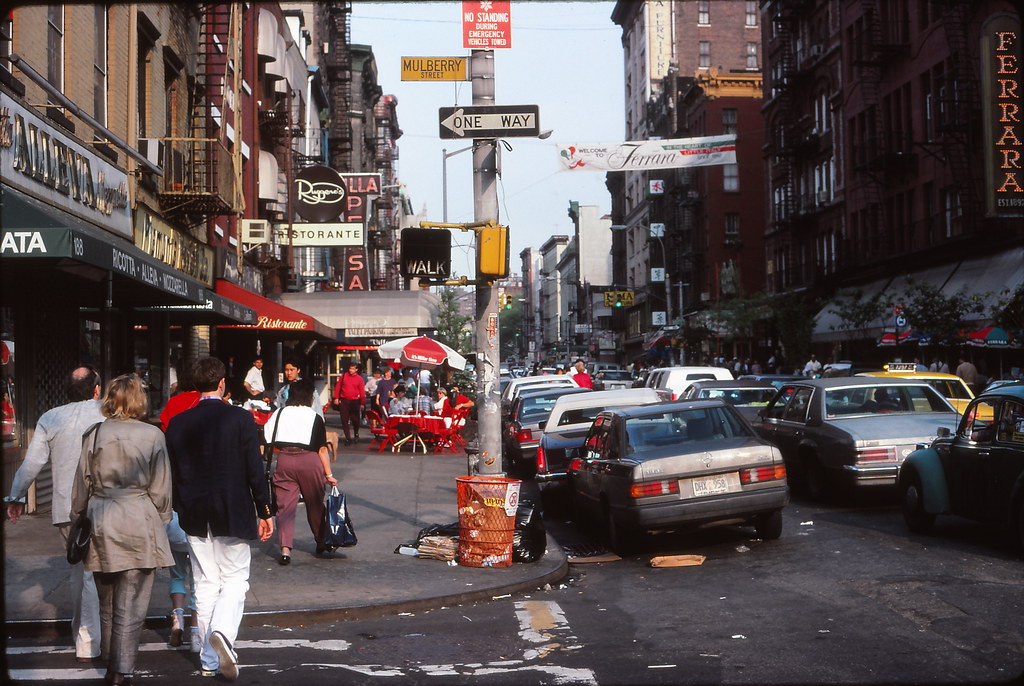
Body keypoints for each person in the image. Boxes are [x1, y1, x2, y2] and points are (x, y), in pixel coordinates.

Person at [165, 357, 274, 681]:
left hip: (194, 513)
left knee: (206, 583)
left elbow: (174, 474)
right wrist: (265, 510)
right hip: (233, 508)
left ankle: (209, 659)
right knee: (236, 580)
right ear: (222, 383)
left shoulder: (179, 423)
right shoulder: (240, 419)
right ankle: (223, 633)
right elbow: (255, 470)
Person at [70, 373, 174, 685]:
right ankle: (120, 668)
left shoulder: (95, 433)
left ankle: (109, 658)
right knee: (132, 600)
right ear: (139, 400)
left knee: (107, 597)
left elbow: (81, 484)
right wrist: (162, 520)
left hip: (102, 516)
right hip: (139, 517)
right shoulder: (153, 435)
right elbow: (161, 489)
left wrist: (78, 518)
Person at [5, 366, 105, 665]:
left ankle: (88, 642)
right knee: (110, 572)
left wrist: (16, 496)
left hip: (67, 509)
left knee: (83, 574)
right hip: (109, 505)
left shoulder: (50, 418)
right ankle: (112, 637)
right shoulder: (110, 414)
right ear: (97, 390)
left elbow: (32, 463)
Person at [264, 379, 337, 566]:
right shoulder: (314, 417)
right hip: (309, 460)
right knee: (315, 504)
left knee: (284, 507)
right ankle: (321, 541)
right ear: (309, 396)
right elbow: (321, 450)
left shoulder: (278, 414)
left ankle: (285, 549)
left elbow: (266, 439)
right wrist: (329, 475)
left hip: (285, 459)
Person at [332, 363, 365, 446]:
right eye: (350, 368)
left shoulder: (359, 379)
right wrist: (336, 398)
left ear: (356, 369)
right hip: (344, 400)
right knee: (344, 420)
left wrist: (362, 403)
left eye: (353, 369)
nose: (351, 370)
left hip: (355, 401)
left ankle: (356, 433)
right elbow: (338, 387)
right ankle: (348, 438)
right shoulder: (343, 376)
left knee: (355, 419)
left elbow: (362, 391)